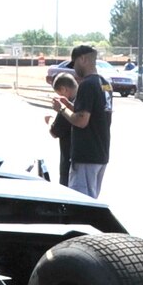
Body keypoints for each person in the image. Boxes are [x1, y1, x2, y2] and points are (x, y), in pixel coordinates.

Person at [54, 45, 112, 198]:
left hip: (86, 154)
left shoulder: (86, 84)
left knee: (81, 202)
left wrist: (61, 109)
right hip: (101, 152)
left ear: (83, 59)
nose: (74, 69)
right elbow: (95, 114)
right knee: (92, 198)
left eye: (75, 64)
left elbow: (82, 120)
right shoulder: (105, 84)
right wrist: (69, 105)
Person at [46, 71, 78, 183]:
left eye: (59, 93)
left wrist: (49, 120)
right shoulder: (82, 101)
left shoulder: (66, 106)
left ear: (64, 90)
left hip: (69, 156)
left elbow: (55, 131)